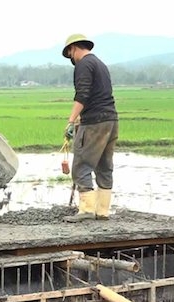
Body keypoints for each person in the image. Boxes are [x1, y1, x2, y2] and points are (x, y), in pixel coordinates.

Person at [61, 34, 119, 221]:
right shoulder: (100, 64)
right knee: (104, 165)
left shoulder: (83, 65)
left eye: (70, 53)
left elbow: (83, 94)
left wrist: (71, 120)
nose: (71, 57)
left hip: (94, 122)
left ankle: (86, 210)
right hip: (110, 120)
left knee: (81, 165)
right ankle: (102, 211)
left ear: (74, 48)